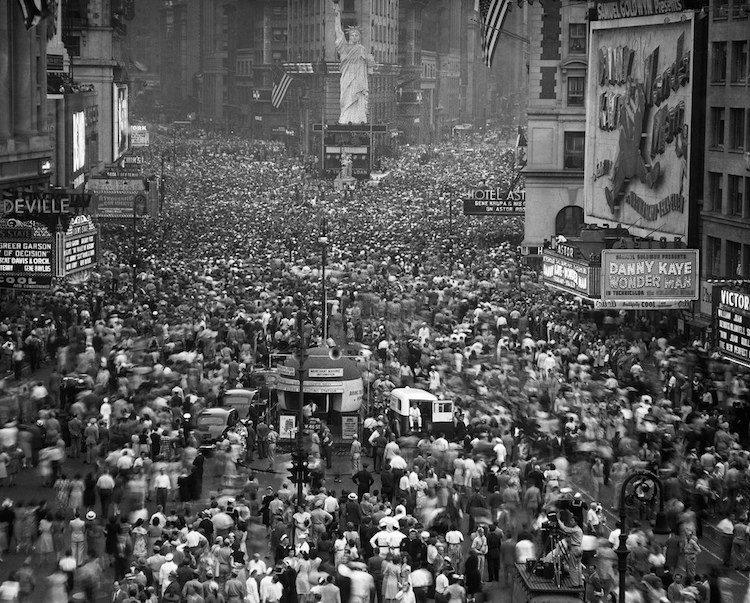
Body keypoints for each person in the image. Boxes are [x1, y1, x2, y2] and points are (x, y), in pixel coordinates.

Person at [332, 1, 375, 125]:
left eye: (357, 35)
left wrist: (369, 59)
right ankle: (345, 118)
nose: (355, 36)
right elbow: (338, 32)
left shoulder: (361, 49)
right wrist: (337, 13)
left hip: (359, 78)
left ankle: (359, 118)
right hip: (347, 77)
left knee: (359, 97)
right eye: (353, 34)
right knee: (346, 98)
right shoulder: (344, 47)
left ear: (359, 37)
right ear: (349, 36)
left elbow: (370, 64)